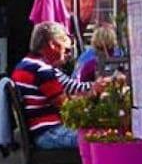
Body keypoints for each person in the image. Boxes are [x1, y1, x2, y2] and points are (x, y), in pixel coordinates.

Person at [10, 21, 97, 149]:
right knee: (101, 138)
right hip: (49, 133)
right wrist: (92, 95)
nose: (67, 55)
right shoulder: (42, 70)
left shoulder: (23, 65)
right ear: (53, 45)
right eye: (66, 50)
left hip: (39, 132)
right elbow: (67, 107)